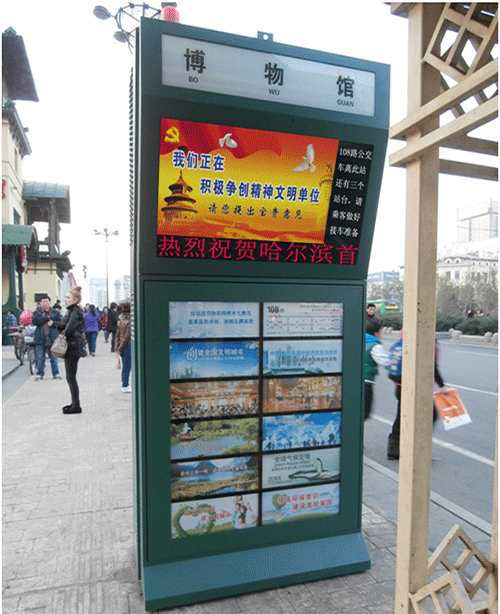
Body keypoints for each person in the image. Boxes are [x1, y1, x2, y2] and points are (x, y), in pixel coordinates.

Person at [387, 334, 446, 459]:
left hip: (401, 385)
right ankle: (420, 449)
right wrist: (442, 385)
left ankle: (393, 449)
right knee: (430, 416)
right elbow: (432, 366)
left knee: (402, 415)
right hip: (418, 387)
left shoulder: (405, 339)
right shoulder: (425, 341)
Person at [58, 286, 86, 414]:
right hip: (73, 346)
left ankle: (76, 406)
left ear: (75, 299)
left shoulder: (74, 312)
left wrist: (63, 329)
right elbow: (62, 326)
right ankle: (74, 403)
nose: (65, 300)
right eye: (65, 297)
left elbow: (68, 329)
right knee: (70, 377)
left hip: (73, 347)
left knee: (71, 377)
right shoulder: (72, 311)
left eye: (68, 297)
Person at [364, 320, 390, 420]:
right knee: (364, 413)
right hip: (366, 382)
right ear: (376, 333)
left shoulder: (360, 340)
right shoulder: (374, 345)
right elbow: (385, 362)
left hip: (356, 381)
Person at [32, 296, 62, 381]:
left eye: (46, 301)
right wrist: (45, 318)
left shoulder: (55, 312)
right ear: (40, 303)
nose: (45, 303)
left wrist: (53, 323)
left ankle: (56, 374)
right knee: (40, 357)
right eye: (43, 302)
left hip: (52, 338)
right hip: (40, 339)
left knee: (54, 358)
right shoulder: (37, 313)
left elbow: (60, 323)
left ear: (49, 302)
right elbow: (35, 321)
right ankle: (40, 374)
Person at [115, 302, 131, 392]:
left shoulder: (120, 321)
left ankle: (124, 384)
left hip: (122, 347)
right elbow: (126, 337)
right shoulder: (129, 322)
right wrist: (120, 347)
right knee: (127, 368)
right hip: (127, 347)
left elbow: (117, 335)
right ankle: (125, 385)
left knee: (125, 367)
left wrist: (117, 347)